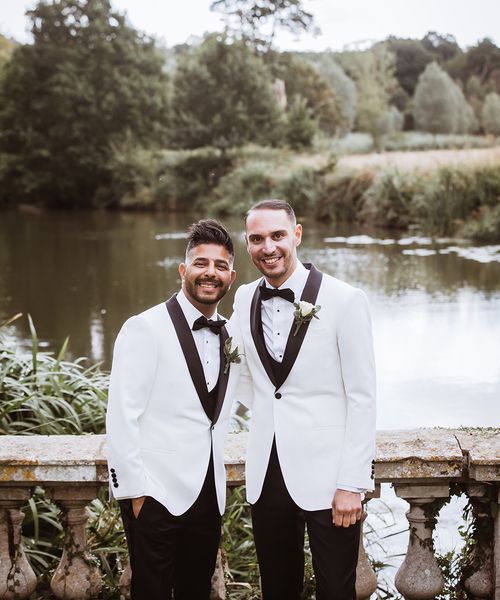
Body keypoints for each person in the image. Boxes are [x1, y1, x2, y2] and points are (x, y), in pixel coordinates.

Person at [232, 199, 377, 600]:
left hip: (331, 479)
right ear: (247, 244)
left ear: (296, 235)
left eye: (277, 236)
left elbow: (363, 398)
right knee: (278, 589)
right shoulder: (243, 298)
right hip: (267, 472)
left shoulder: (346, 299)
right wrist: (265, 406)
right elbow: (240, 374)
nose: (268, 247)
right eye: (257, 239)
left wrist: (352, 483)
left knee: (335, 589)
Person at [106, 219, 244, 600]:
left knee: (196, 591)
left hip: (207, 495)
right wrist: (135, 494)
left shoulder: (233, 335)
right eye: (201, 263)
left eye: (219, 266)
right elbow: (121, 416)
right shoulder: (144, 328)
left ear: (230, 276)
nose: (209, 273)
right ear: (184, 270)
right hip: (155, 494)